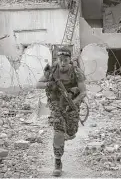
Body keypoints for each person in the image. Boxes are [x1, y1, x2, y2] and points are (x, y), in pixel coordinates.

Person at [36, 47, 86, 177]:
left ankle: (65, 134)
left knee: (71, 131)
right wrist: (50, 84)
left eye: (65, 60)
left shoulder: (76, 71)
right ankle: (57, 161)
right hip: (56, 103)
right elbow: (37, 84)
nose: (62, 62)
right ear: (57, 59)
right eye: (60, 59)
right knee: (58, 129)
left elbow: (83, 92)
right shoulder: (52, 70)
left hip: (71, 103)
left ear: (70, 60)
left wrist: (73, 102)